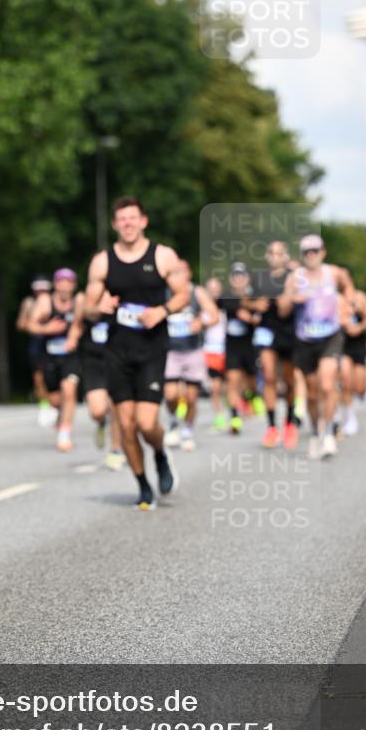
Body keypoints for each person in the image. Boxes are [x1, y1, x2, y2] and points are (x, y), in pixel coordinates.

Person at [84, 196, 190, 510]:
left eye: (133, 218)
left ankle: (159, 453)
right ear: (115, 224)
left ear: (143, 221)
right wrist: (96, 308)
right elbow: (88, 306)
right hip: (118, 350)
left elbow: (184, 293)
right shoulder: (103, 261)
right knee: (126, 426)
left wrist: (163, 310)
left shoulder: (163, 255)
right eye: (122, 219)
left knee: (146, 424)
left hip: (152, 350)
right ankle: (143, 485)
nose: (127, 224)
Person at [279, 234, 353, 459]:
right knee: (311, 394)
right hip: (304, 340)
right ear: (302, 255)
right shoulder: (295, 277)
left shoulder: (334, 273)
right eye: (307, 252)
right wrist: (292, 298)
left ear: (323, 252)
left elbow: (349, 288)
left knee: (328, 384)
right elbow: (282, 310)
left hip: (330, 337)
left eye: (315, 250)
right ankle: (314, 432)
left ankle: (329, 433)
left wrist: (346, 307)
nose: (311, 255)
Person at [249, 241, 299, 449]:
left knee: (289, 381)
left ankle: (289, 423)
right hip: (267, 330)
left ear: (286, 256)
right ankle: (271, 427)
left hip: (288, 332)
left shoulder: (293, 277)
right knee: (269, 376)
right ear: (267, 256)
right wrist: (254, 305)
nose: (276, 256)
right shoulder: (259, 278)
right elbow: (243, 301)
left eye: (280, 253)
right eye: (272, 253)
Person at [164, 261, 219, 452]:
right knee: (171, 394)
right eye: (174, 272)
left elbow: (214, 315)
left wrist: (201, 322)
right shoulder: (163, 292)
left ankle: (187, 429)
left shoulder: (197, 292)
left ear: (188, 273)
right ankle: (172, 422)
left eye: (181, 272)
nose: (177, 276)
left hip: (193, 350)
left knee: (191, 397)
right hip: (170, 351)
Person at [28, 268, 82, 452]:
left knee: (69, 390)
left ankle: (64, 434)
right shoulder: (45, 302)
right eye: (61, 282)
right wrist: (46, 329)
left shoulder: (78, 301)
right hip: (49, 355)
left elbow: (79, 323)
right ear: (56, 285)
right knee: (55, 399)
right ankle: (59, 414)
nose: (65, 287)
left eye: (69, 283)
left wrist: (74, 337)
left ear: (73, 286)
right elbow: (30, 325)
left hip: (70, 356)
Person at [73, 293, 125, 469]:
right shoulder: (85, 298)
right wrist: (97, 308)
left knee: (116, 407)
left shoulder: (122, 292)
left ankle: (115, 450)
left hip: (116, 360)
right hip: (93, 362)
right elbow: (80, 319)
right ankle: (102, 422)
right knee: (97, 411)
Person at [217, 263, 259, 436]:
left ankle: (251, 396)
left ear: (247, 278)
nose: (238, 279)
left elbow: (259, 315)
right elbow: (226, 305)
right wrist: (246, 309)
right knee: (232, 381)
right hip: (232, 346)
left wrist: (251, 315)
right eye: (235, 276)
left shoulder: (255, 295)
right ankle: (234, 417)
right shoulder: (226, 296)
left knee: (251, 381)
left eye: (242, 276)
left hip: (250, 346)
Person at [16, 275, 54, 426]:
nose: (41, 292)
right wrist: (33, 321)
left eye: (44, 289)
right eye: (38, 289)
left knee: (52, 377)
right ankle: (45, 406)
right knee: (38, 378)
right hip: (36, 343)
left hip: (52, 344)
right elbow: (20, 325)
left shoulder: (54, 301)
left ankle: (55, 405)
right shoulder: (29, 302)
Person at [340, 279, 366, 435]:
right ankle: (350, 417)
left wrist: (361, 316)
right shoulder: (338, 299)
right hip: (344, 346)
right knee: (346, 381)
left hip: (359, 346)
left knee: (358, 386)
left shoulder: (362, 297)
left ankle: (364, 391)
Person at [203, 277, 228, 431]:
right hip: (210, 351)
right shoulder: (201, 308)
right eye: (210, 289)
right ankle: (219, 415)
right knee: (215, 388)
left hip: (227, 351)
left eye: (216, 289)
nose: (214, 293)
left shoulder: (226, 307)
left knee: (229, 386)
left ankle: (234, 411)